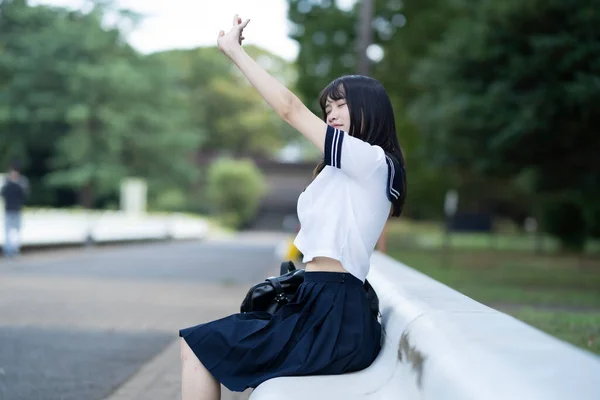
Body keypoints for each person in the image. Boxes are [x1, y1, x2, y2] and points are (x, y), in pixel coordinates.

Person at [179, 15, 407, 400]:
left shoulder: (371, 161)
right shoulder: (345, 169)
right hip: (316, 301)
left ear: (370, 108)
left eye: (340, 104)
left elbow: (289, 109)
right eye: (327, 107)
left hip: (333, 314)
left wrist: (235, 52)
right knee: (206, 349)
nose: (330, 113)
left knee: (199, 347)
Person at [1, 163, 29, 258]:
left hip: (16, 210)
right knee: (9, 232)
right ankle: (9, 251)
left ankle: (14, 250)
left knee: (16, 232)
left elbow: (24, 195)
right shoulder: (8, 182)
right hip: (9, 209)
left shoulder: (20, 182)